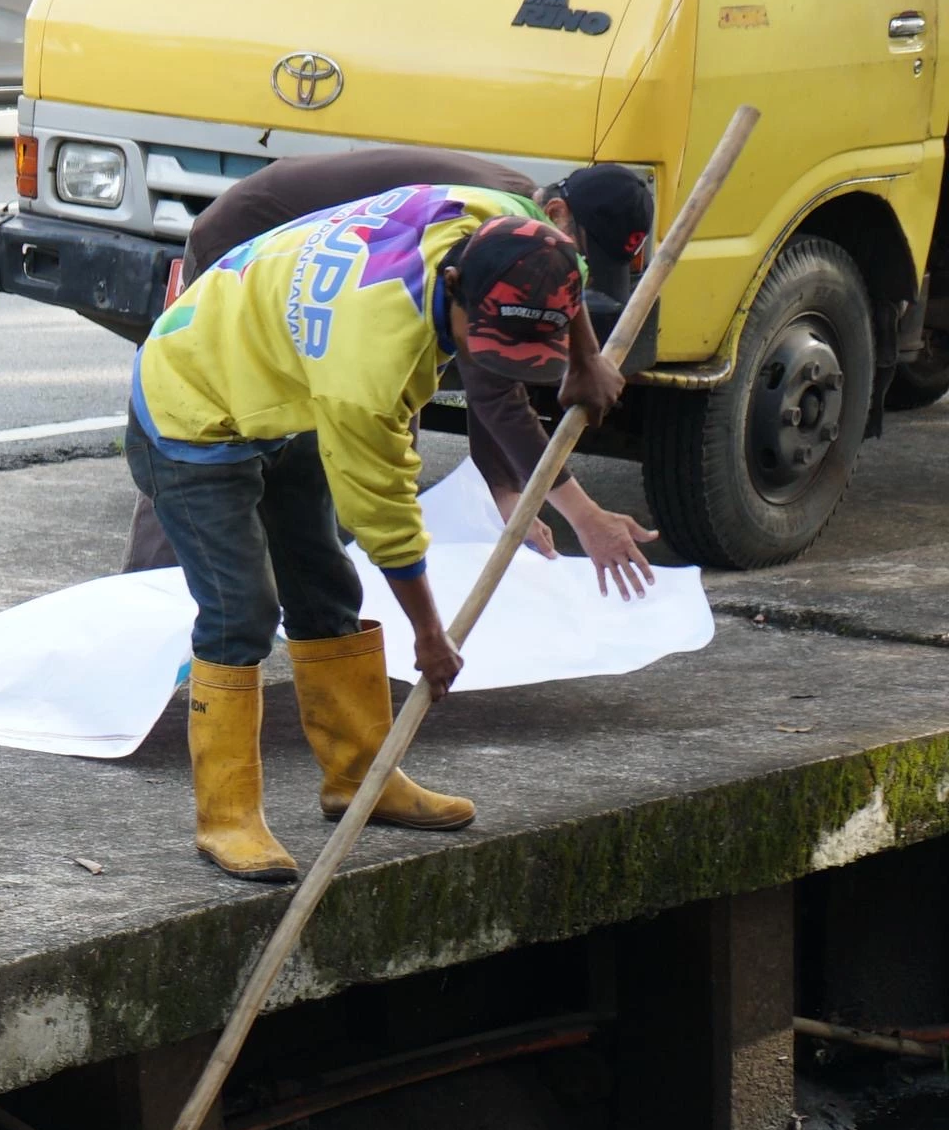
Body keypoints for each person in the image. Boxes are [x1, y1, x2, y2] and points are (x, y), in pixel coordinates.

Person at [128, 184, 590, 882]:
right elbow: (386, 519)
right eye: (488, 342)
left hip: (285, 386)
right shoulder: (371, 355)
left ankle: (360, 780)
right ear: (455, 284)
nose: (495, 365)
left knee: (325, 586)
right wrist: (430, 637)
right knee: (241, 609)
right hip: (193, 400)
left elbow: (569, 275)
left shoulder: (512, 229)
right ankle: (228, 818)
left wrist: (587, 358)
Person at [122, 147, 658, 590]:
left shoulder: (532, 236)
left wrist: (584, 360)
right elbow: (493, 389)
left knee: (377, 424)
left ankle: (314, 590)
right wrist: (578, 513)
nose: (581, 279)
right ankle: (150, 597)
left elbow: (556, 276)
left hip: (339, 273)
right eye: (585, 255)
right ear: (558, 215)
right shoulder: (505, 241)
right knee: (203, 426)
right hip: (249, 238)